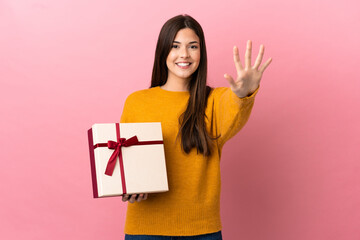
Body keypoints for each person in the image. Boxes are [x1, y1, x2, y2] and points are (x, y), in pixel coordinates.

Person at [120, 14, 272, 240]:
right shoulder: (136, 102)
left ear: (201, 53)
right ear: (163, 51)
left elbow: (234, 109)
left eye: (193, 46)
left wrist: (243, 94)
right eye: (175, 46)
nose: (184, 54)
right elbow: (124, 161)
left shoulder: (214, 101)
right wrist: (127, 187)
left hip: (201, 231)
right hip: (145, 229)